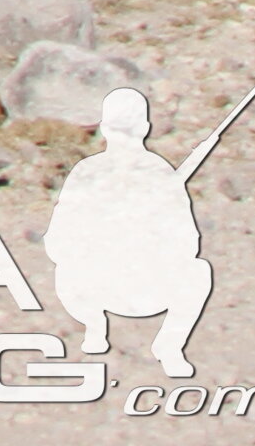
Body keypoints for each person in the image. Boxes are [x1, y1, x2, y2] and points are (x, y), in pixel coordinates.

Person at [47, 87, 215, 382]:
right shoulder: (160, 172)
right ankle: (170, 345)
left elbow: (57, 241)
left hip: (93, 289)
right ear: (145, 128)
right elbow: (188, 243)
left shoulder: (87, 171)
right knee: (199, 271)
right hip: (149, 290)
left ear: (103, 128)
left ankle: (94, 326)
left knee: (64, 269)